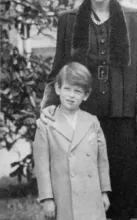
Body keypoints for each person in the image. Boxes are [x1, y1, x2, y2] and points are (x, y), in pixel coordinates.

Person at [40, 0, 137, 220]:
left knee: (124, 192)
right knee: (85, 190)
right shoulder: (68, 21)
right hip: (82, 119)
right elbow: (59, 68)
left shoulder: (135, 18)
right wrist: (50, 105)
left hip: (124, 119)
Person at [33, 62, 111, 220]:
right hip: (63, 195)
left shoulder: (92, 122)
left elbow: (102, 161)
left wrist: (104, 192)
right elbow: (41, 166)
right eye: (67, 89)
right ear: (57, 89)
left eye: (77, 91)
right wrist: (47, 198)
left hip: (91, 196)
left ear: (86, 95)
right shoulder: (47, 124)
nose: (71, 95)